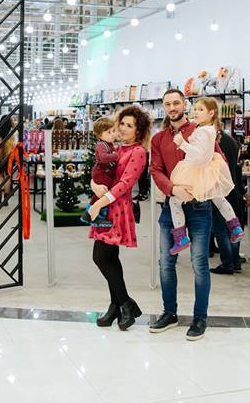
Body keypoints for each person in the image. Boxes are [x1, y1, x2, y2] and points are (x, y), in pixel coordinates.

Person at [149, 88, 219, 341]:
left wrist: (204, 186)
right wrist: (173, 188)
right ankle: (170, 313)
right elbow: (155, 170)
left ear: (185, 104)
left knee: (199, 263)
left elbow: (218, 159)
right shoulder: (158, 139)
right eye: (167, 104)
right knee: (166, 262)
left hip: (199, 205)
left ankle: (200, 317)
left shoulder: (201, 131)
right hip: (172, 205)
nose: (172, 108)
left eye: (176, 103)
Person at [87, 105, 148, 331]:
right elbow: (99, 170)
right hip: (105, 205)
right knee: (107, 257)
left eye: (129, 125)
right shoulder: (116, 148)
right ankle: (119, 305)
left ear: (138, 131)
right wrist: (93, 184)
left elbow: (125, 183)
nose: (122, 128)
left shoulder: (138, 152)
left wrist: (99, 203)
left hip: (116, 207)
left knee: (102, 256)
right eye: (121, 123)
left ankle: (124, 304)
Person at [164, 97, 241, 256]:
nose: (195, 112)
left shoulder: (204, 131)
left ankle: (180, 237)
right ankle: (235, 226)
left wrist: (182, 144)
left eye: (200, 110)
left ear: (211, 113)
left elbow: (199, 155)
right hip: (207, 169)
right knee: (219, 199)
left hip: (196, 170)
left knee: (175, 201)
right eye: (195, 109)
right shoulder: (208, 129)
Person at [211, 129, 246, 275]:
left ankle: (227, 263)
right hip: (232, 188)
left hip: (218, 190)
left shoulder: (213, 142)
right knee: (233, 226)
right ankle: (236, 260)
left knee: (221, 230)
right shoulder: (231, 141)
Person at [81, 116, 117, 228]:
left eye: (113, 131)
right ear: (100, 135)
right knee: (102, 193)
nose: (113, 134)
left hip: (105, 172)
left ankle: (89, 213)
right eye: (109, 132)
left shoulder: (109, 144)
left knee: (100, 193)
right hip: (101, 172)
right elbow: (103, 158)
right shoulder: (101, 145)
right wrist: (116, 155)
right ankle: (95, 215)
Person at [0, 117, 17, 205]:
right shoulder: (13, 132)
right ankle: (6, 196)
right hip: (9, 157)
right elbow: (15, 145)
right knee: (7, 176)